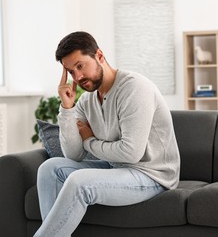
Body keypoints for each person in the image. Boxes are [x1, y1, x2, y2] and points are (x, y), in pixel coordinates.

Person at [34, 31, 180, 237]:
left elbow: (131, 153)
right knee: (49, 168)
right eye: (71, 72)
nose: (78, 77)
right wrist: (67, 109)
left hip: (151, 175)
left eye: (80, 66)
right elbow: (73, 155)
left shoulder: (134, 88)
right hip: (116, 168)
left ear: (99, 56)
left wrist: (89, 140)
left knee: (79, 183)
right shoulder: (86, 101)